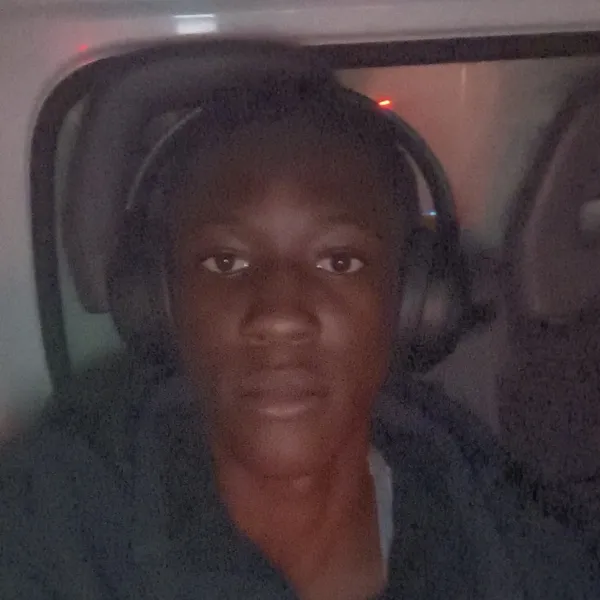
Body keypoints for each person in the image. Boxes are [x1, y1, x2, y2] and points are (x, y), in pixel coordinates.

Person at [0, 85, 596, 600]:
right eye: (226, 261)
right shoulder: (49, 533)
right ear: (158, 301)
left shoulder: (519, 549)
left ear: (414, 302)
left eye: (339, 260)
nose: (279, 316)